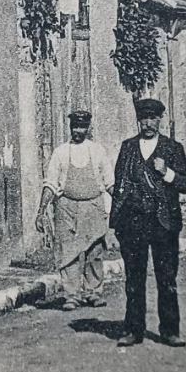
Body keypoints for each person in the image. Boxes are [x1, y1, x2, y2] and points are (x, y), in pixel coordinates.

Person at [109, 98, 186, 348]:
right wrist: (115, 225)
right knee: (134, 280)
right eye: (144, 118)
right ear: (139, 120)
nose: (149, 123)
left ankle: (170, 331)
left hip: (163, 224)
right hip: (133, 223)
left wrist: (167, 172)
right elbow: (120, 186)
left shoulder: (172, 148)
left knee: (166, 279)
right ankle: (133, 330)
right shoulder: (128, 148)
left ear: (160, 120)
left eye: (153, 118)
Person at [35, 110, 114, 310]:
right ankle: (71, 295)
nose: (78, 131)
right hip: (66, 207)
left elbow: (109, 182)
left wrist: (124, 205)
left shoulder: (97, 151)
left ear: (88, 128)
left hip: (93, 206)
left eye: (82, 127)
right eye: (75, 127)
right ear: (70, 128)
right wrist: (41, 211)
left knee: (94, 251)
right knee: (67, 252)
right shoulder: (60, 152)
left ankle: (93, 292)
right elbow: (51, 183)